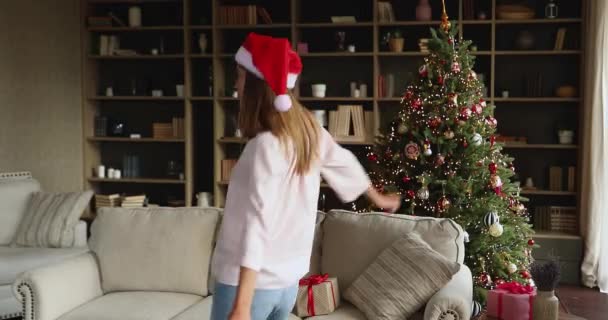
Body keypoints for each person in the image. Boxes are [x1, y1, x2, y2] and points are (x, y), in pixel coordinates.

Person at [210, 33, 401, 320]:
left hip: (248, 286)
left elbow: (257, 223)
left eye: (239, 76)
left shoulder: (263, 146)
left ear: (255, 86)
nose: (236, 85)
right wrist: (379, 198)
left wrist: (242, 305)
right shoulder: (308, 131)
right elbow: (345, 162)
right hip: (287, 286)